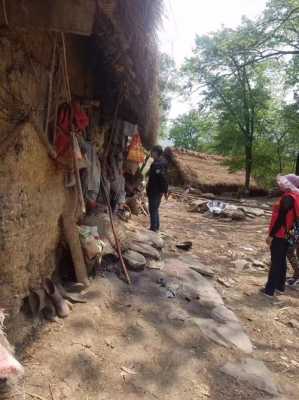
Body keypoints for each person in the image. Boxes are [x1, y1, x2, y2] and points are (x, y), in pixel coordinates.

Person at [262, 176, 299, 297]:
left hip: (280, 234)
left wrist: (271, 235)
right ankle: (279, 287)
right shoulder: (295, 196)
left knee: (276, 261)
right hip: (288, 233)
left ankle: (269, 290)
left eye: (283, 183)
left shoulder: (288, 198)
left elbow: (280, 219)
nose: (280, 184)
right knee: (281, 260)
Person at [146, 145, 168, 232]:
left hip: (155, 190)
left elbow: (163, 178)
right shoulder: (161, 162)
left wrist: (164, 191)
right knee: (155, 209)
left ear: (156, 152)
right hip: (157, 190)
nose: (151, 153)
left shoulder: (158, 164)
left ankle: (153, 228)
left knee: (152, 209)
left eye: (152, 152)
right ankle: (156, 226)